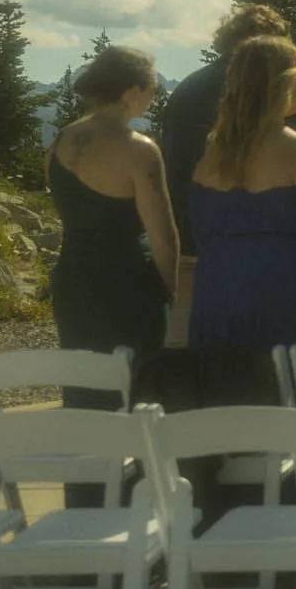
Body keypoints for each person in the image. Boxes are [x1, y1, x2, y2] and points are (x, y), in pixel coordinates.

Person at [188, 36, 296, 347]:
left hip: (216, 302)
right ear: (284, 83)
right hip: (286, 305)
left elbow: (200, 231)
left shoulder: (213, 154)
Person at [47, 45, 178, 387]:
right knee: (138, 385)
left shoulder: (61, 141)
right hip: (127, 282)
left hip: (72, 277)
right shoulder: (140, 150)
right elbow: (163, 236)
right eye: (153, 89)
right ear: (131, 92)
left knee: (84, 383)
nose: (154, 97)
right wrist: (171, 290)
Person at [160, 4, 289, 334]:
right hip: (232, 243)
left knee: (187, 340)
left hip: (183, 230)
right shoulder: (245, 90)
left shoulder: (190, 85)